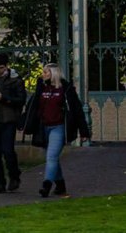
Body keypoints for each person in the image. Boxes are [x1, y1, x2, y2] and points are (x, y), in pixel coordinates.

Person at [21, 63, 91, 197]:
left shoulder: (65, 89)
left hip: (58, 127)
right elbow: (33, 106)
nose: (43, 74)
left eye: (46, 72)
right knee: (53, 158)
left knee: (51, 157)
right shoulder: (41, 87)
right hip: (43, 127)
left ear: (54, 73)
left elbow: (77, 110)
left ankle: (46, 185)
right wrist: (25, 123)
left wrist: (84, 132)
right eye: (43, 72)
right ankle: (60, 185)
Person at [0, 52, 26, 192]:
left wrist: (3, 98)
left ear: (7, 66)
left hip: (9, 119)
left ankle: (14, 176)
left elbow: (20, 100)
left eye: (1, 68)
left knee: (8, 151)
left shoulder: (16, 80)